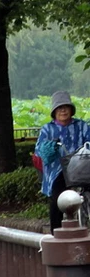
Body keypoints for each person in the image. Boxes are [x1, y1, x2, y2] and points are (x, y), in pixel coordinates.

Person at [35, 91, 90, 231]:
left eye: (66, 107)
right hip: (57, 171)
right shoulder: (47, 129)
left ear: (71, 110)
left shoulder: (82, 126)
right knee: (56, 201)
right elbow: (40, 151)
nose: (63, 110)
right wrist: (49, 148)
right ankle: (55, 234)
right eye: (59, 108)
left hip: (81, 168)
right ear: (54, 111)